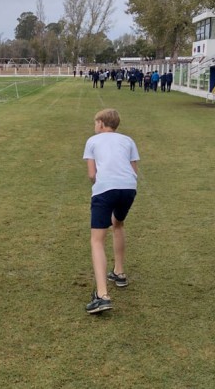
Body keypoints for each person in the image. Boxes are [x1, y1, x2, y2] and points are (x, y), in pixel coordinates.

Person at [83, 109, 139, 313]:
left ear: (101, 123)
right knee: (118, 223)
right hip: (129, 188)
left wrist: (102, 186)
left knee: (97, 240)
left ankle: (102, 295)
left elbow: (91, 174)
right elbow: (134, 171)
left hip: (105, 189)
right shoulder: (128, 140)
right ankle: (119, 272)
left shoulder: (93, 141)